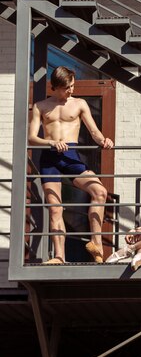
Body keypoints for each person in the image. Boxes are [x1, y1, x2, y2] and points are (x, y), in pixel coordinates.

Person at [28, 66, 114, 264]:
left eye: (73, 86)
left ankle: (96, 242)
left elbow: (94, 131)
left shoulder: (79, 104)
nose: (71, 90)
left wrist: (103, 141)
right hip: (50, 158)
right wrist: (50, 142)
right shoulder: (41, 106)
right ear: (56, 87)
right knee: (55, 209)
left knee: (99, 192)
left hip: (71, 156)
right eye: (68, 87)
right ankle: (59, 256)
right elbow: (32, 137)